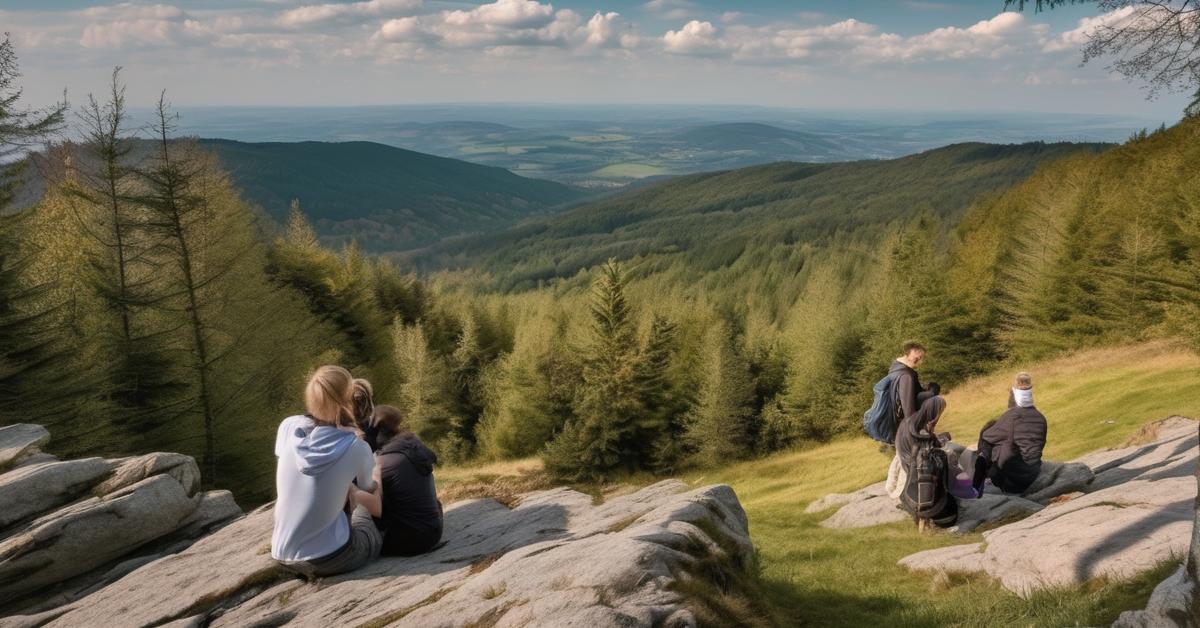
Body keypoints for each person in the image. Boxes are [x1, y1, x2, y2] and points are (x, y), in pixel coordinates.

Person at [271, 365, 382, 577]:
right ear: (349, 398)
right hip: (330, 558)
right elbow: (368, 490)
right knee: (365, 513)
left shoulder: (288, 427)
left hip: (281, 554)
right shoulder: (357, 447)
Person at [356, 405, 444, 557]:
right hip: (434, 531)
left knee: (360, 503)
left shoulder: (383, 462)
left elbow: (373, 507)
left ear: (375, 431)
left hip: (408, 542)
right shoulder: (413, 446)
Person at [960, 372, 1047, 496]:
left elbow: (987, 436)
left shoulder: (1011, 417)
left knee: (986, 440)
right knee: (1007, 442)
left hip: (1014, 481)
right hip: (1034, 472)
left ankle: (977, 486)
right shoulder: (1040, 417)